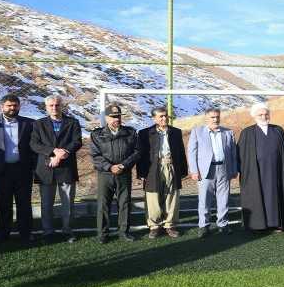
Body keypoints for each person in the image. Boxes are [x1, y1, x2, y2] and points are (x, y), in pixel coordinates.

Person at [0, 94, 36, 244]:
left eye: (15, 105)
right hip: (1, 170)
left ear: (19, 106)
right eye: (9, 105)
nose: (12, 108)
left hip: (23, 170)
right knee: (3, 204)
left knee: (24, 203)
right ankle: (3, 233)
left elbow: (35, 148)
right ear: (2, 106)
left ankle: (26, 233)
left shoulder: (29, 123)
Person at [238, 103, 284, 232]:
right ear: (254, 116)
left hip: (278, 171)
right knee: (258, 196)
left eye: (266, 114)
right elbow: (241, 155)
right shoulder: (247, 133)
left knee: (277, 195)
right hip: (257, 173)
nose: (263, 117)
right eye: (260, 114)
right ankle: (259, 225)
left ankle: (277, 223)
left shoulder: (278, 130)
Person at [30, 95, 82, 243]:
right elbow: (34, 144)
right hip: (46, 168)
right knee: (46, 203)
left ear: (62, 106)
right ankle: (48, 232)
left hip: (66, 168)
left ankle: (68, 230)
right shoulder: (38, 124)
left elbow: (77, 141)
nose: (54, 108)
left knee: (68, 204)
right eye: (51, 105)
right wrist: (54, 151)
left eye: (57, 105)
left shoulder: (73, 122)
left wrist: (63, 153)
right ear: (46, 107)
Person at [90, 104, 140, 243]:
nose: (116, 119)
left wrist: (123, 165)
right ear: (106, 118)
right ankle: (102, 233)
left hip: (124, 173)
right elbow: (95, 156)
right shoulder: (97, 134)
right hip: (105, 175)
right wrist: (109, 167)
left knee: (124, 203)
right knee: (103, 204)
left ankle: (124, 232)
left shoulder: (130, 133)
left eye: (118, 116)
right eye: (112, 117)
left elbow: (136, 152)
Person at [187, 108, 238, 238]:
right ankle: (204, 226)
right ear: (206, 118)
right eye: (212, 117)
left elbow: (233, 153)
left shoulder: (228, 132)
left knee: (224, 198)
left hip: (223, 169)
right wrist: (194, 170)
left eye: (217, 117)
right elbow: (192, 152)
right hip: (205, 171)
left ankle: (223, 224)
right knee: (204, 199)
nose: (215, 119)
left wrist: (234, 169)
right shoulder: (197, 132)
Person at [138, 107, 188, 239]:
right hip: (152, 168)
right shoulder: (144, 133)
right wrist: (141, 173)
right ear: (154, 118)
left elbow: (181, 152)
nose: (164, 118)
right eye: (161, 116)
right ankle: (154, 226)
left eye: (165, 116)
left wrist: (183, 170)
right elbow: (141, 155)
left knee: (172, 196)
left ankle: (170, 225)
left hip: (171, 166)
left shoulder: (175, 132)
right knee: (152, 197)